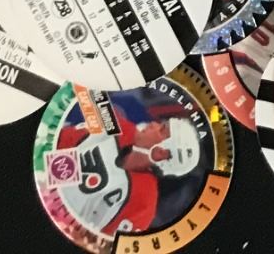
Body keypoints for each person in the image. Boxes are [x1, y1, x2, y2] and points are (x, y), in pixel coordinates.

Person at [53, 97, 204, 237]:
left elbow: (101, 245)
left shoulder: (144, 203)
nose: (153, 124)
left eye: (162, 129)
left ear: (161, 153)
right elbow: (54, 143)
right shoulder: (119, 126)